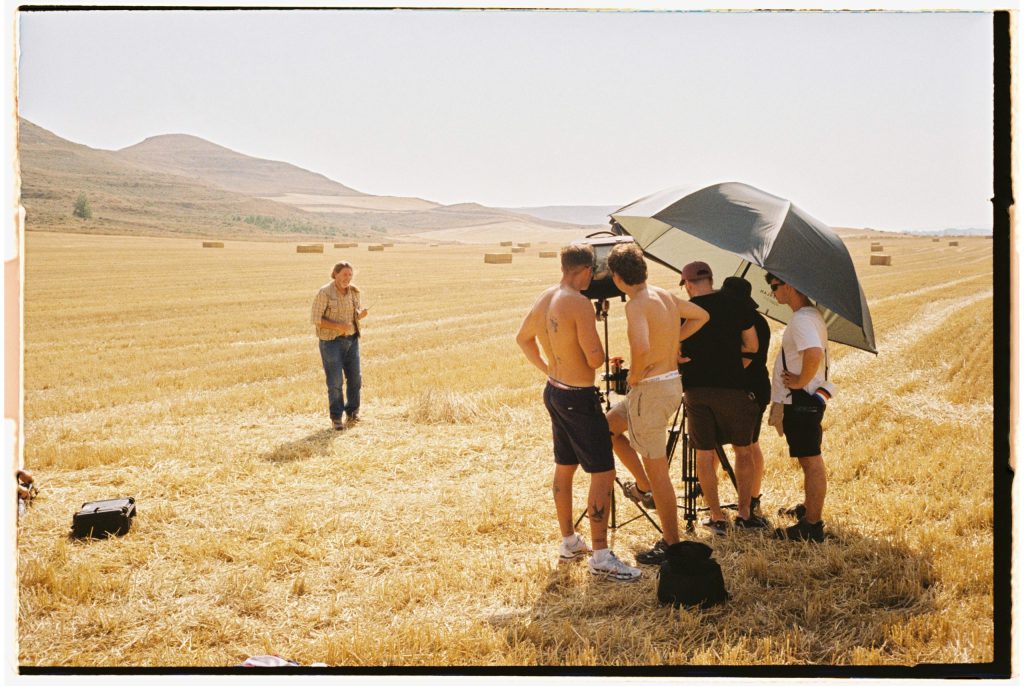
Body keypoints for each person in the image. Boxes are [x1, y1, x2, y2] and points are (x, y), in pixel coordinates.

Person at [516, 244, 641, 582]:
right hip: (578, 396)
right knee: (603, 471)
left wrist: (548, 368)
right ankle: (600, 555)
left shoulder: (546, 296)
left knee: (565, 466)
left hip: (555, 390)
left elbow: (523, 338)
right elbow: (595, 358)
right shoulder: (579, 303)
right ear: (587, 270)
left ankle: (569, 541)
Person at [605, 243, 709, 565]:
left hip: (649, 391)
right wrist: (674, 341)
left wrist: (635, 375)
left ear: (617, 277)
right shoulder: (663, 295)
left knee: (660, 471)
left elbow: (641, 347)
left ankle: (671, 544)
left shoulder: (636, 304)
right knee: (607, 428)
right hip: (669, 384)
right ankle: (644, 487)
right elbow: (701, 315)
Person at [678, 261, 761, 536]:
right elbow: (752, 345)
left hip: (696, 389)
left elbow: (673, 347)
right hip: (733, 388)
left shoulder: (685, 311)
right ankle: (745, 514)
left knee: (704, 454)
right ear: (711, 280)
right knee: (743, 450)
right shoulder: (737, 305)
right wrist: (735, 368)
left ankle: (716, 517)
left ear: (688, 285)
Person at [765, 273, 830, 543]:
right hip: (805, 399)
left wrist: (800, 382)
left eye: (774, 286)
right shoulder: (809, 315)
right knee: (808, 459)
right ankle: (808, 509)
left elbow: (814, 352)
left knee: (811, 461)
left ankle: (812, 525)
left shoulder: (802, 319)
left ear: (790, 286)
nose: (772, 292)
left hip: (801, 401)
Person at [720, 276, 772, 520]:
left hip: (750, 389)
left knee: (749, 446)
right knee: (745, 445)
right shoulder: (753, 319)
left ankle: (752, 498)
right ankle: (750, 496)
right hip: (749, 388)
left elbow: (747, 358)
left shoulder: (752, 323)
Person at [311, 261, 368, 430]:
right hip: (331, 343)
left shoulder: (354, 292)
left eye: (350, 275)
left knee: (355, 379)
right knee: (335, 382)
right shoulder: (324, 293)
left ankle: (353, 413)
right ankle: (336, 417)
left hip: (352, 341)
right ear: (335, 274)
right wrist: (338, 326)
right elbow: (315, 319)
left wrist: (360, 315)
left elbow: (354, 313)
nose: (347, 278)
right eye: (344, 274)